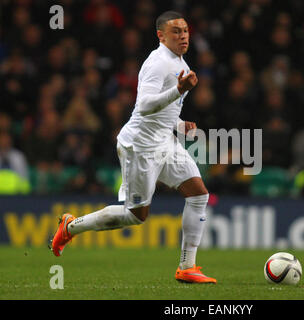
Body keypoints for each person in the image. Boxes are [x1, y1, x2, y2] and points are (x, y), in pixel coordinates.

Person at [49, 11, 216, 284]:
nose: (183, 35)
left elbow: (164, 112)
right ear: (161, 35)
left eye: (185, 30)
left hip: (164, 140)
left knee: (198, 194)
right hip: (141, 146)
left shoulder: (179, 61)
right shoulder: (158, 63)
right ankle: (71, 226)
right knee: (136, 216)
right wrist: (179, 90)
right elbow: (146, 105)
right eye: (176, 31)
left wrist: (179, 125)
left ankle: (187, 267)